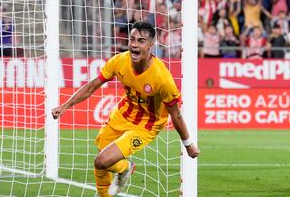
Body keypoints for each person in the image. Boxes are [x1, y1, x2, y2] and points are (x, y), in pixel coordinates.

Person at [52, 21, 200, 197]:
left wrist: (188, 144)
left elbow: (176, 115)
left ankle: (124, 170)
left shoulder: (162, 79)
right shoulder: (119, 61)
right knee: (102, 159)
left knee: (101, 161)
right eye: (132, 39)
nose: (134, 44)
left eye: (141, 41)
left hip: (146, 125)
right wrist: (65, 105)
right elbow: (92, 86)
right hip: (123, 113)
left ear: (151, 45)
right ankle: (124, 169)